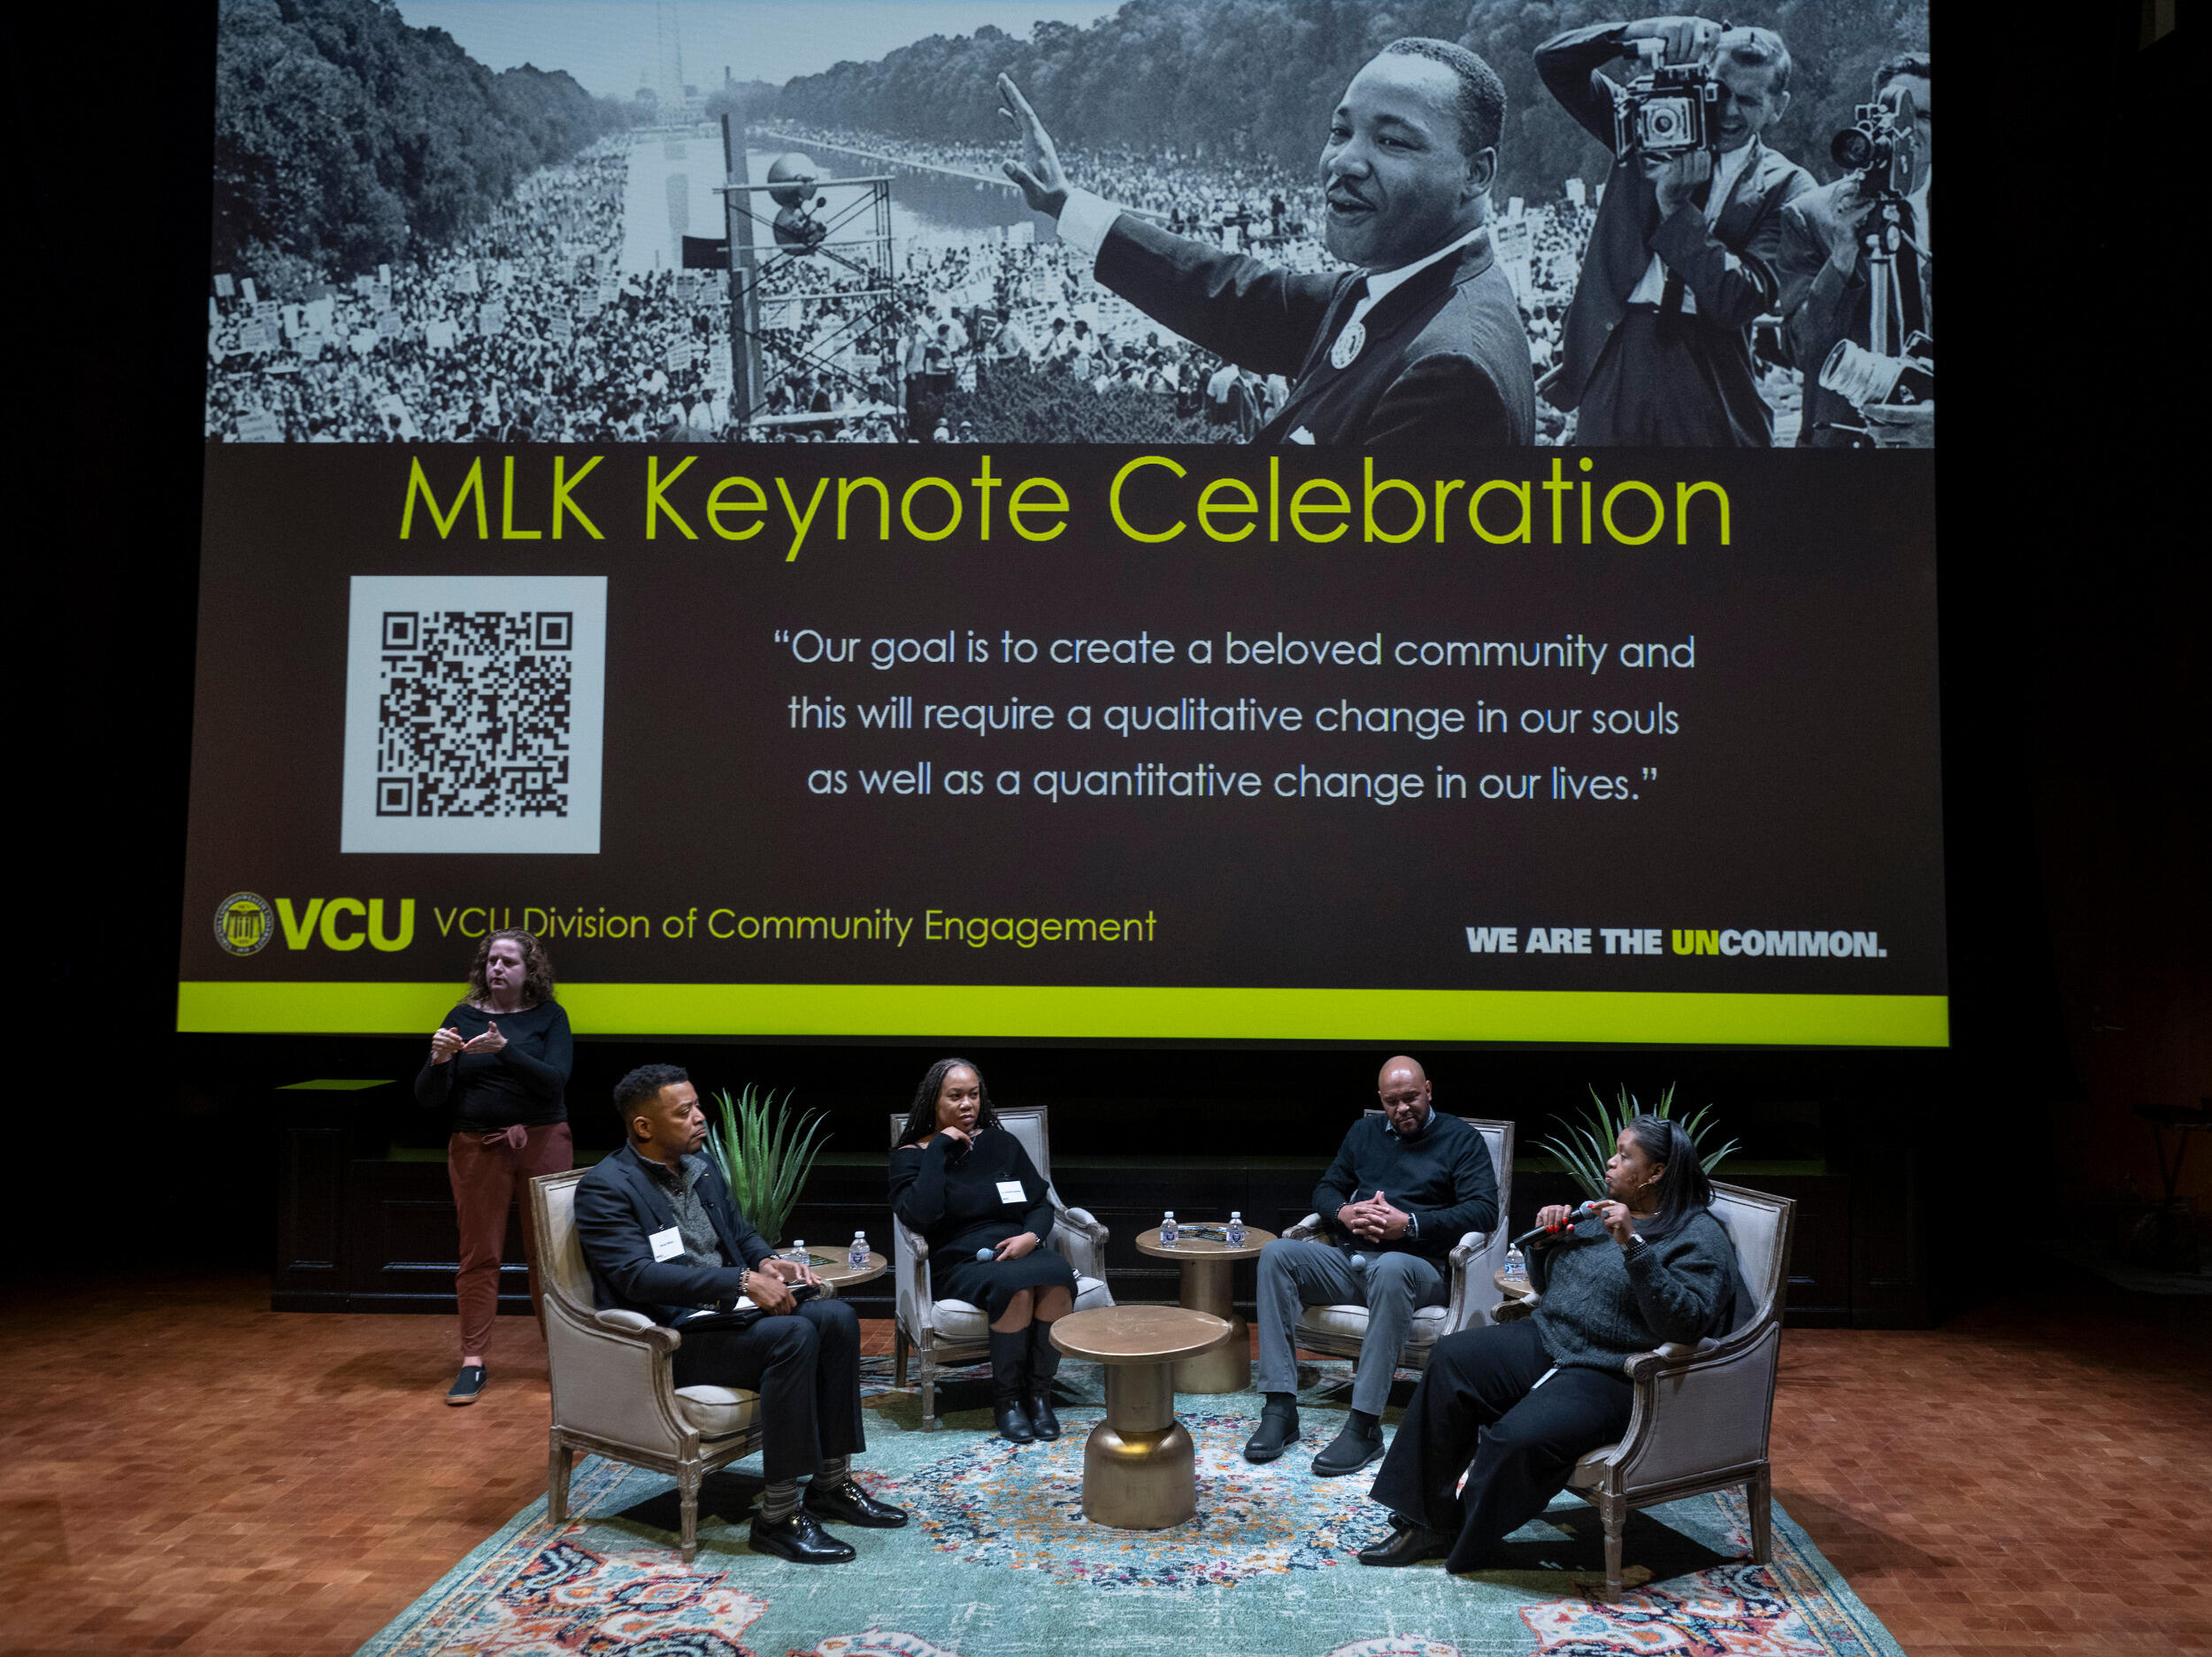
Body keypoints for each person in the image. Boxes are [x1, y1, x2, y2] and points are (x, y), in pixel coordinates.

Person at [997, 42, 1535, 447]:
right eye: (1339, 131)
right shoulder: (1401, 285)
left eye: (1392, 140)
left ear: (1476, 173)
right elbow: (1230, 296)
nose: (1345, 161)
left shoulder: (1449, 373)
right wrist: (1064, 204)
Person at [1356, 1114, 1740, 1570]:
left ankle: (1461, 1532)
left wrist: (1633, 1246)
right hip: (1550, 1335)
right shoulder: (1603, 1212)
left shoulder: (1698, 1236)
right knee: (1451, 1359)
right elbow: (1553, 1282)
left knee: (1514, 1438)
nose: (1610, 1163)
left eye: (1624, 1155)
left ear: (1656, 1172)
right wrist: (1545, 1245)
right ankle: (1424, 1520)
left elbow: (1685, 1322)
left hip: (1612, 1371)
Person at [573, 1064, 907, 1563]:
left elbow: (740, 1231)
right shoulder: (607, 1187)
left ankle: (831, 1484)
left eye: (697, 1106)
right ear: (643, 1126)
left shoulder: (700, 1168)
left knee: (836, 1318)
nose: (699, 1118)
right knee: (793, 1335)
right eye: (683, 1112)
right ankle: (777, 1517)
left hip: (727, 1319)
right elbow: (636, 1276)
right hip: (673, 1337)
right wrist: (739, 1281)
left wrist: (764, 1260)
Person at [1534, 16, 1813, 445]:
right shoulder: (1645, 124)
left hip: (1709, 369)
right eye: (1718, 92)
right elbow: (1554, 64)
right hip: (1617, 351)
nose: (1729, 111)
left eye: (1749, 100)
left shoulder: (1789, 186)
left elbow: (1738, 300)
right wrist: (1638, 33)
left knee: (1706, 505)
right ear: (1702, 79)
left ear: (1779, 106)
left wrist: (1676, 209)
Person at [1246, 1056, 1500, 1476]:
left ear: (1429, 1090)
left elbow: (1484, 1212)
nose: (1404, 1109)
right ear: (1381, 1100)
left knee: (1392, 1267)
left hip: (1420, 1269)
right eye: (1393, 1101)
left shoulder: (1461, 1138)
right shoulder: (1363, 1133)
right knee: (1277, 1253)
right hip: (1353, 1261)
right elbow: (1327, 1188)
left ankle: (1364, 1427)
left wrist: (1411, 1225)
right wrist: (1343, 1212)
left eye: (1412, 1098)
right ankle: (1280, 1409)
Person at [414, 929, 573, 1406]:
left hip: (542, 1141)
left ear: (530, 972)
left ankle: (564, 1359)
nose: (497, 969)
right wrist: (439, 1060)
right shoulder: (461, 1018)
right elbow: (428, 1097)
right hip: (475, 1145)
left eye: (508, 962)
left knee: (552, 1258)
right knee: (478, 1255)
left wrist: (504, 1048)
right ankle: (473, 1361)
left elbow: (554, 1082)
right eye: (491, 961)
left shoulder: (550, 1017)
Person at [889, 1057, 1079, 1444]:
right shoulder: (913, 1154)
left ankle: (1038, 1395)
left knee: (1058, 1276)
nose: (967, 1105)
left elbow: (1040, 1204)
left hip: (1018, 1246)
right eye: (955, 1096)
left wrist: (1033, 1238)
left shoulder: (1001, 1143)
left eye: (973, 1095)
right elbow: (921, 1216)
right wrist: (939, 1148)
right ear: (933, 1102)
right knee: (1016, 1286)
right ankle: (1007, 1402)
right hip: (959, 1260)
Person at [1775, 54, 1932, 446]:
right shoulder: (1812, 215)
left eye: (1922, 115)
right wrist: (1842, 257)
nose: (1908, 129)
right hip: (1845, 450)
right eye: (1896, 112)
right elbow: (1802, 351)